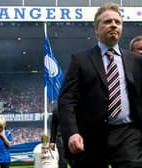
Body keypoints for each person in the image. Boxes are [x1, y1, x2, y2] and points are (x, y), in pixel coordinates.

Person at [58, 2, 142, 168]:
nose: (113, 25)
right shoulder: (80, 60)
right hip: (90, 137)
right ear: (96, 30)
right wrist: (72, 133)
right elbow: (67, 100)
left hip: (128, 135)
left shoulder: (137, 61)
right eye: (107, 21)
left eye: (117, 22)